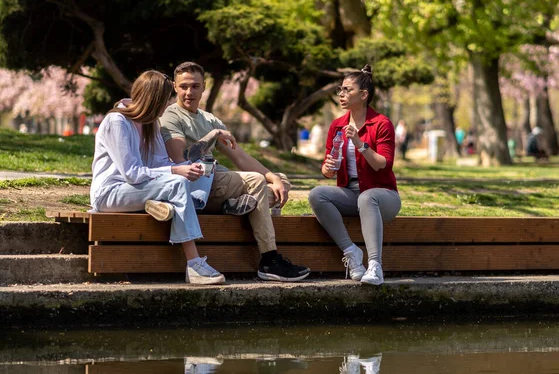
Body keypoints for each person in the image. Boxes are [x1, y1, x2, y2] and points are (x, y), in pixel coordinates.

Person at [160, 61, 310, 282]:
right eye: (183, 86)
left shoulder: (209, 119)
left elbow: (240, 157)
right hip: (197, 184)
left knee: (280, 181)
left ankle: (238, 205)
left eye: (194, 86)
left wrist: (274, 178)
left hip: (218, 180)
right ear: (174, 86)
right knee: (257, 181)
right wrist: (213, 135)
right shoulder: (171, 117)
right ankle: (269, 259)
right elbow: (181, 157)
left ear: (203, 87)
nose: (188, 92)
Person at [90, 70, 230, 285]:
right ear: (154, 100)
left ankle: (167, 204)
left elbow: (161, 163)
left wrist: (189, 166)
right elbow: (132, 173)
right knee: (178, 182)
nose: (166, 107)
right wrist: (175, 172)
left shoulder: (150, 123)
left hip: (139, 188)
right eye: (164, 101)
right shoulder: (117, 121)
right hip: (111, 193)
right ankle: (194, 265)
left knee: (197, 171)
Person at [308, 64, 401, 286]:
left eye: (347, 90)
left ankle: (375, 266)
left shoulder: (381, 124)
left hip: (384, 196)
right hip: (351, 194)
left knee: (367, 197)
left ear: (363, 94)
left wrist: (360, 144)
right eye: (340, 89)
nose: (341, 94)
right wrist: (328, 167)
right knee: (317, 195)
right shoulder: (337, 125)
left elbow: (383, 165)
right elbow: (327, 170)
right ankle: (352, 253)